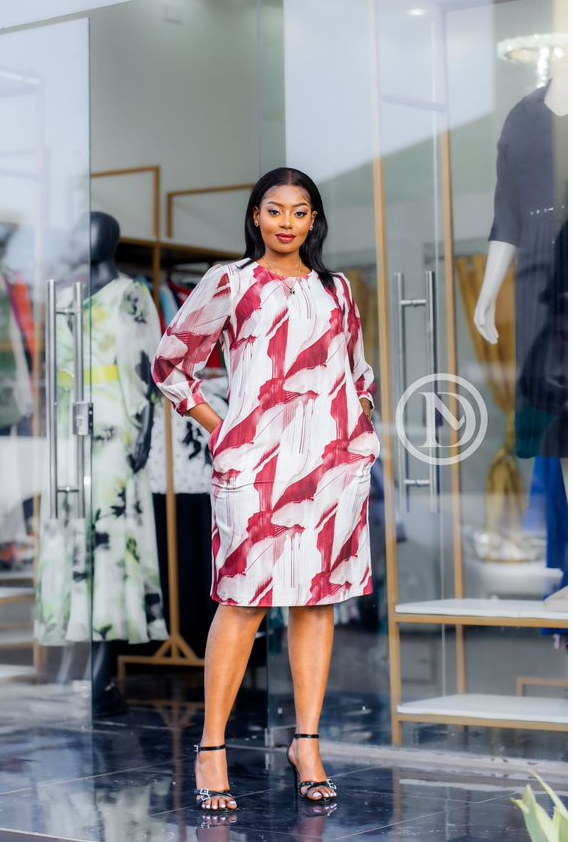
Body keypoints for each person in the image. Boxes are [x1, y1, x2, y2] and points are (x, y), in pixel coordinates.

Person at [152, 168, 380, 811]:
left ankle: (306, 744)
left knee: (316, 602)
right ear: (256, 216)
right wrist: (224, 427)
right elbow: (171, 365)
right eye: (274, 209)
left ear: (313, 221)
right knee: (244, 603)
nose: (286, 221)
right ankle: (212, 746)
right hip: (254, 465)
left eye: (299, 211)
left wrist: (355, 428)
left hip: (330, 468)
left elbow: (358, 370)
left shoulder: (336, 290)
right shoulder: (230, 282)